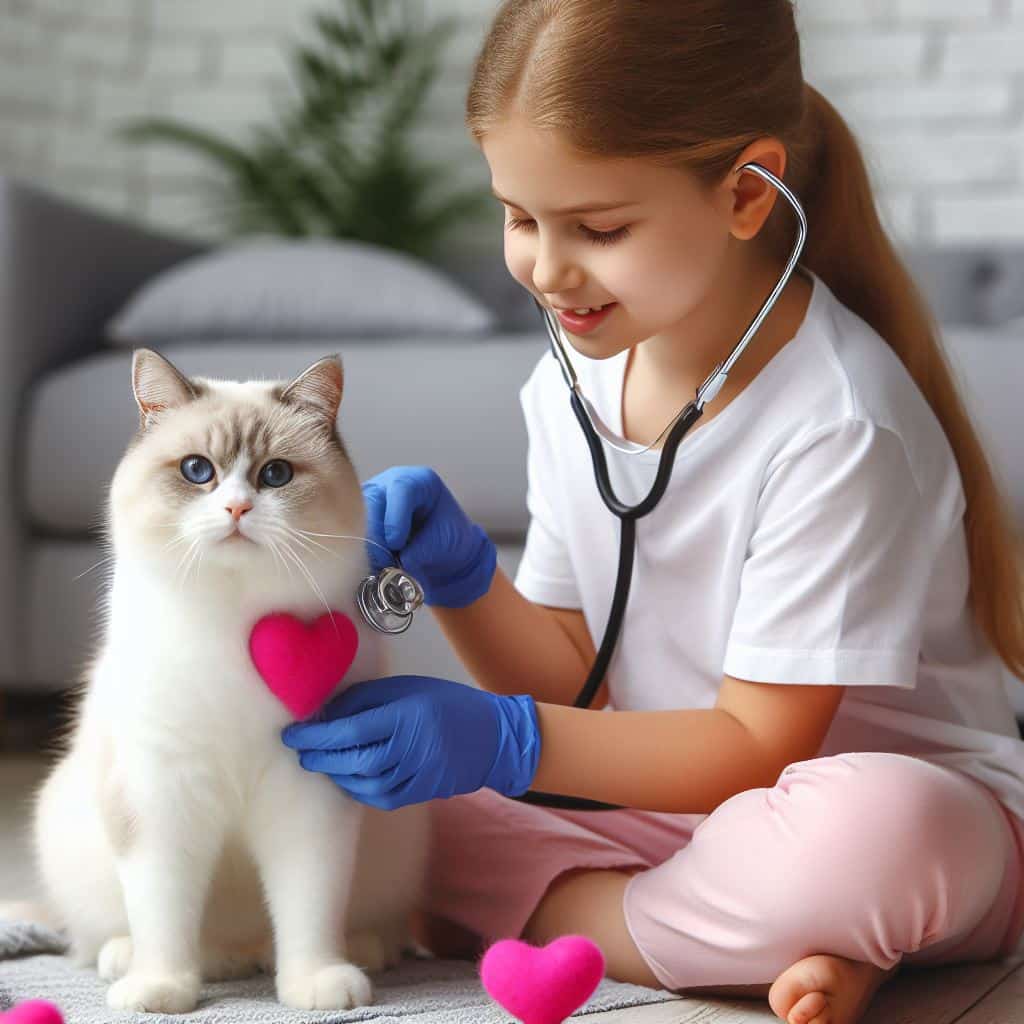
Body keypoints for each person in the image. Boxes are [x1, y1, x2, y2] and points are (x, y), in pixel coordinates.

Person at [279, 2, 1024, 1022]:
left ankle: (622, 921)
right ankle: (779, 942)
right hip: (666, 804)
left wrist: (506, 740)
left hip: (874, 808)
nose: (546, 269)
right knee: (386, 820)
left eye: (598, 228)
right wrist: (462, 580)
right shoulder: (571, 386)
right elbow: (576, 678)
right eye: (518, 216)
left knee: (879, 835)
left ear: (747, 193)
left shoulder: (841, 423)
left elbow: (759, 745)